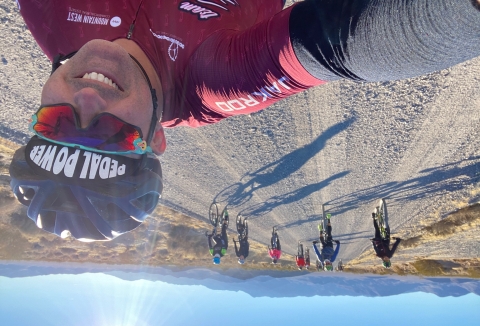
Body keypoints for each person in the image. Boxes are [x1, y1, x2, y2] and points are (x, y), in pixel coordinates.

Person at [9, 0, 480, 241]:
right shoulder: (213, 80)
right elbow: (337, 45)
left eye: (53, 123)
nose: (87, 98)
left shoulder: (45, 15)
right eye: (108, 134)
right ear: (155, 141)